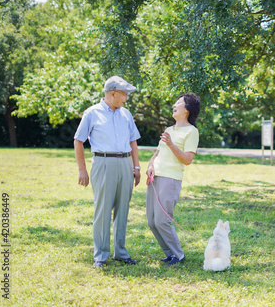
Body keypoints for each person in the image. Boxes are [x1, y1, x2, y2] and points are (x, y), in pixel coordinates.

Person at [74, 76, 141, 268]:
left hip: (125, 164)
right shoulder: (92, 113)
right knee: (103, 210)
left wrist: (136, 167)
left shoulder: (126, 114)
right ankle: (101, 256)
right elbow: (78, 140)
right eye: (124, 94)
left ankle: (120, 252)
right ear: (113, 93)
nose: (126, 98)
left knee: (123, 209)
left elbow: (133, 141)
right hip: (103, 163)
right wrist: (82, 170)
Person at [146, 93, 200, 266]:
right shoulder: (169, 130)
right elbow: (158, 152)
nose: (174, 105)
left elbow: (187, 159)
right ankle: (170, 254)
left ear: (188, 109)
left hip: (170, 179)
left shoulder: (192, 131)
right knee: (152, 221)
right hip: (155, 178)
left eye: (179, 103)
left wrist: (171, 144)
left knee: (162, 220)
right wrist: (150, 165)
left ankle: (179, 255)